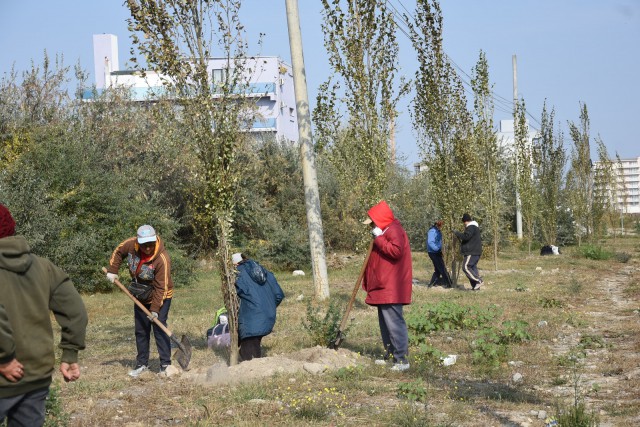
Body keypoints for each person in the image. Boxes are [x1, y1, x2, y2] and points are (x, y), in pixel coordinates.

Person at [0, 204, 88, 426]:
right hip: (36, 376)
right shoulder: (43, 266)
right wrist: (70, 354)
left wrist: (5, 358)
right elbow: (75, 310)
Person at [106, 225, 174, 377]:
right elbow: (118, 252)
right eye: (144, 245)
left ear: (155, 240)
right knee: (141, 329)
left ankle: (165, 365)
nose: (148, 248)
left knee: (159, 327)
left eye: (150, 244)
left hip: (160, 295)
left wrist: (155, 310)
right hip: (140, 294)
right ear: (138, 242)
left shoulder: (162, 259)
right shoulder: (130, 245)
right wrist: (113, 270)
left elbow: (161, 288)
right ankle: (142, 364)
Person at [362, 200, 413, 372]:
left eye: (373, 223)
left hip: (391, 285)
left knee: (394, 323)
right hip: (384, 285)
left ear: (380, 219)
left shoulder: (394, 230)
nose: (372, 226)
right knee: (385, 323)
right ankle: (391, 355)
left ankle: (402, 360)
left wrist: (379, 238)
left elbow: (396, 251)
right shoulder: (386, 230)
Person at [232, 253, 285, 361]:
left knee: (249, 355)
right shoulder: (264, 271)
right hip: (267, 315)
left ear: (235, 264)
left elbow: (235, 299)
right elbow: (279, 294)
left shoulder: (237, 274)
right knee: (254, 344)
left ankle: (252, 375)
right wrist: (267, 307)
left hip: (250, 319)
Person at [453, 213, 484, 290]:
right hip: (476, 251)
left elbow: (466, 237)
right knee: (472, 268)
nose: (464, 224)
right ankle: (476, 288)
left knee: (466, 267)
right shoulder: (474, 227)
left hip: (471, 251)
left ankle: (479, 280)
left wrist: (457, 233)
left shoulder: (471, 227)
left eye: (463, 222)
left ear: (465, 221)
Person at [426, 220, 452, 287]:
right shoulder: (432, 231)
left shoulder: (438, 231)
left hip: (436, 252)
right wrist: (437, 248)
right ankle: (449, 284)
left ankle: (431, 284)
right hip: (433, 252)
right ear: (438, 225)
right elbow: (430, 242)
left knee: (438, 269)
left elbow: (439, 242)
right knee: (442, 268)